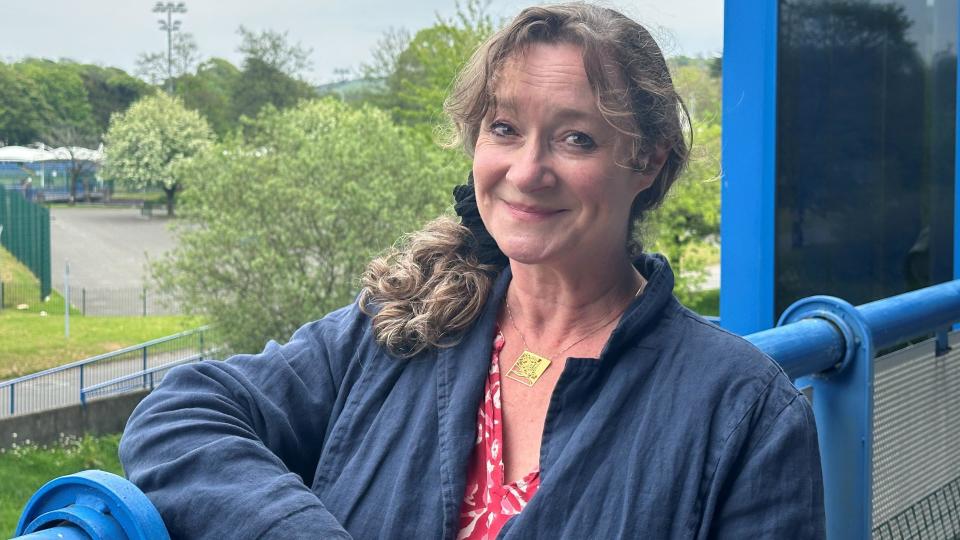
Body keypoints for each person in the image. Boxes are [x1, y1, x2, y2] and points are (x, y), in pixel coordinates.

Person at [120, 4, 826, 539]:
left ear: (648, 161)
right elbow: (178, 417)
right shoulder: (403, 326)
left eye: (575, 138)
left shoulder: (745, 411)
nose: (527, 171)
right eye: (504, 129)